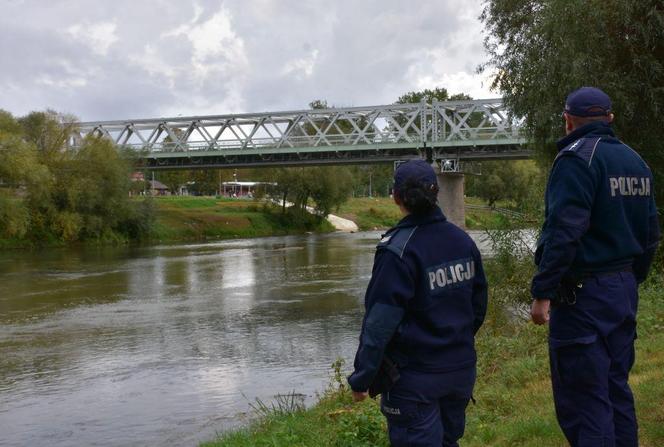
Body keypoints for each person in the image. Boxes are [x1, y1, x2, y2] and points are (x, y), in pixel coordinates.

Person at [530, 87, 660, 447]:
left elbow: (563, 233)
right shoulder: (636, 161)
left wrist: (542, 293)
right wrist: (632, 279)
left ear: (567, 120)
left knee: (585, 401)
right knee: (616, 389)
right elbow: (651, 233)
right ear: (610, 118)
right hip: (622, 291)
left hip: (584, 298)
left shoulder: (576, 160)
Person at [348, 159, 488, 447]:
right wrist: (453, 342)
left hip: (414, 380)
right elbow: (478, 305)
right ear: (435, 192)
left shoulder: (397, 250)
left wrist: (363, 377)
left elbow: (379, 323)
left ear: (396, 197)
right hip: (459, 371)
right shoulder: (463, 241)